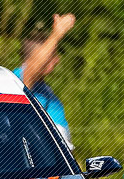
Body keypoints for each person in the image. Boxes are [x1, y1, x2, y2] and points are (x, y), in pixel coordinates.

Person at [16, 13, 78, 144]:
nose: (57, 60)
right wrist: (56, 35)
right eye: (52, 55)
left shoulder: (42, 86)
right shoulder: (19, 80)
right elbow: (31, 68)